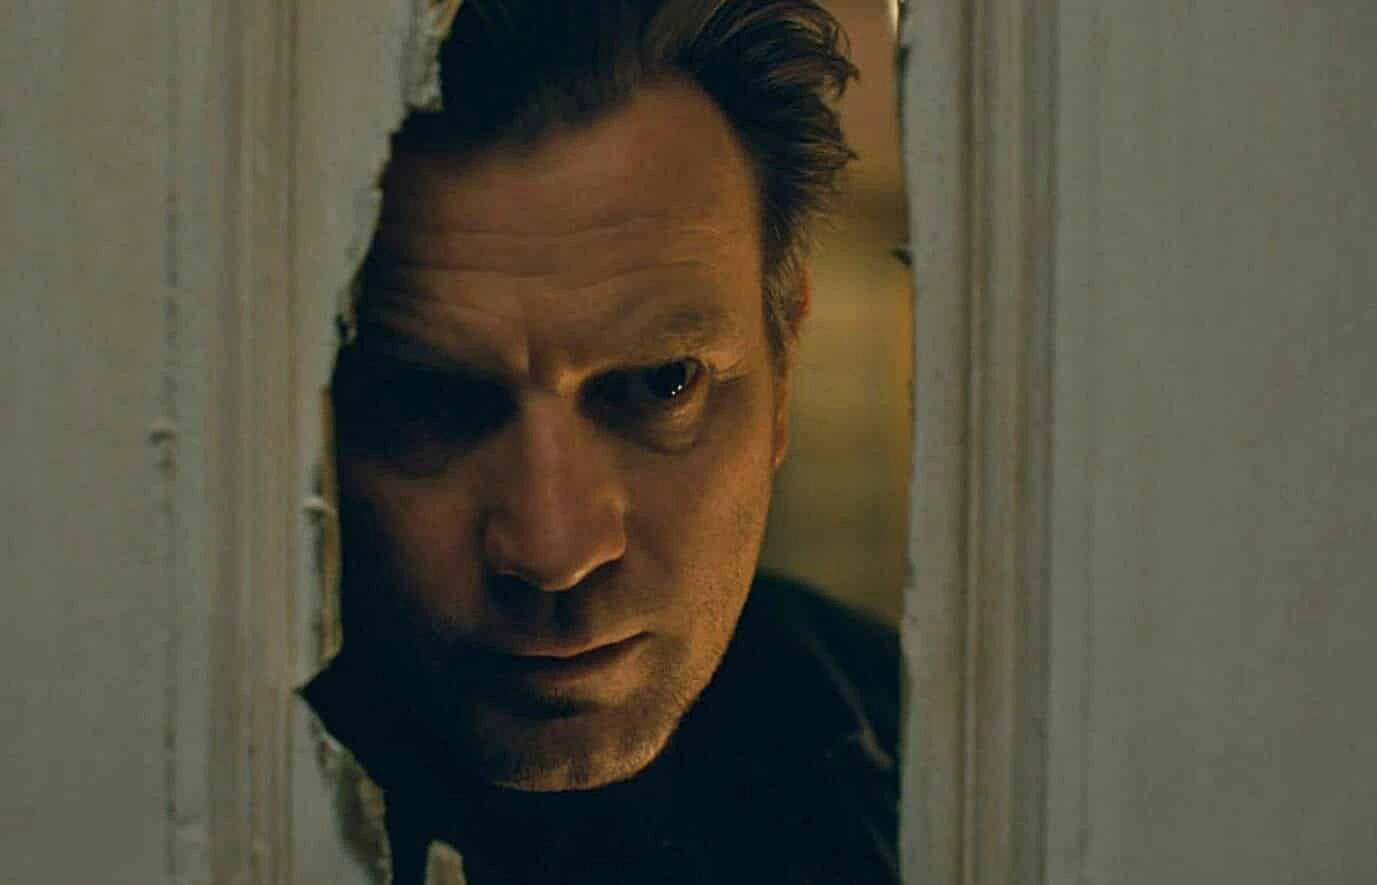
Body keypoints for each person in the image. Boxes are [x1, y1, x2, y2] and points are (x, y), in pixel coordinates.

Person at [302, 1, 901, 881]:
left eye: (660, 383)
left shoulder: (917, 754)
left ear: (784, 371)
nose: (556, 551)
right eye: (431, 401)